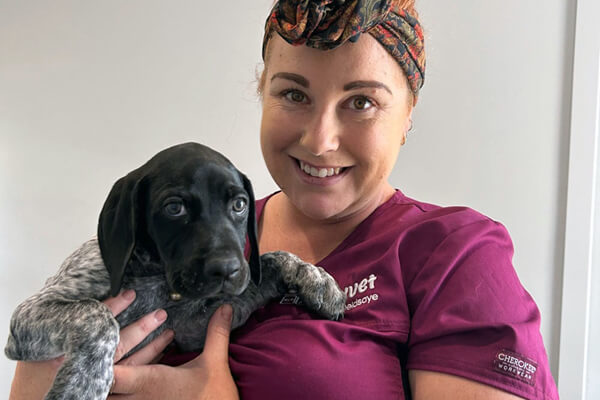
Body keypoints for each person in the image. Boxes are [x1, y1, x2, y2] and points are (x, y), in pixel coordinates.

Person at [9, 0, 559, 399]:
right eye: (294, 94)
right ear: (262, 93)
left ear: (408, 115)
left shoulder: (455, 254)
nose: (321, 139)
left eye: (362, 102)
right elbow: (35, 373)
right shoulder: (190, 230)